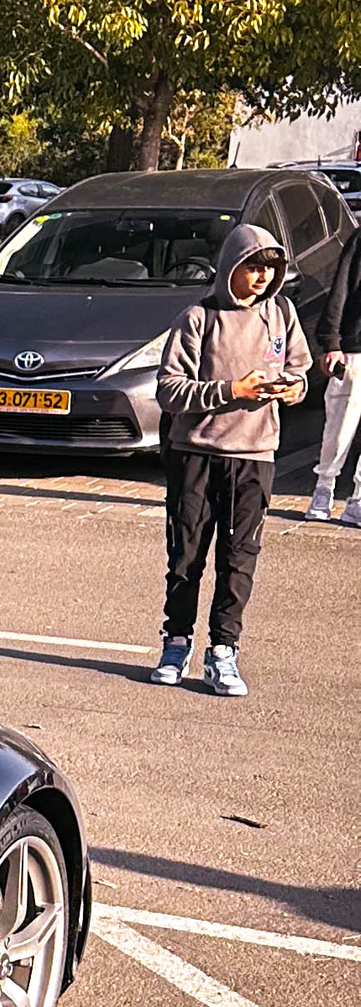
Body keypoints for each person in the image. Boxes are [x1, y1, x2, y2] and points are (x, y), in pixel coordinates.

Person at [151, 219, 311, 695]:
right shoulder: (197, 318)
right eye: (253, 266)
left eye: (271, 268)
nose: (262, 276)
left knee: (239, 557)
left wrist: (292, 388)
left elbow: (300, 371)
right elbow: (169, 390)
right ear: (230, 267)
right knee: (186, 556)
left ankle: (223, 652)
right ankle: (176, 642)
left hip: (255, 455)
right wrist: (231, 390)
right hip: (195, 453)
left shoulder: (281, 314)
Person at [304, 222, 361, 522]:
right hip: (355, 348)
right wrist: (331, 341)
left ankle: (358, 500)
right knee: (339, 427)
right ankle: (323, 488)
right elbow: (341, 288)